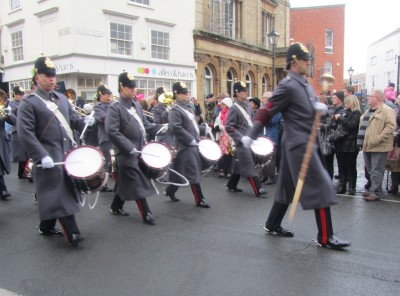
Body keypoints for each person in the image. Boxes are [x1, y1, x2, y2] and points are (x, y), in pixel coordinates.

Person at [244, 42, 350, 249]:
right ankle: (325, 237)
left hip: (305, 143)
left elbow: (305, 111)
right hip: (299, 146)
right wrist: (251, 135)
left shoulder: (304, 83)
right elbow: (267, 110)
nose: (308, 62)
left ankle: (272, 224)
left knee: (286, 188)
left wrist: (318, 108)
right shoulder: (288, 85)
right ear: (293, 62)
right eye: (304, 59)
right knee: (320, 188)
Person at [17, 56, 95, 246]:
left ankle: (46, 226)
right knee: (59, 193)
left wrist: (85, 121)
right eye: (47, 75)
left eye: (53, 75)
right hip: (48, 157)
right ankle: (73, 233)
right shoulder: (29, 102)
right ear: (37, 77)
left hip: (66, 154)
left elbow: (72, 120)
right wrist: (41, 155)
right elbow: (25, 133)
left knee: (58, 192)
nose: (52, 79)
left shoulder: (61, 98)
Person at [105, 71, 165, 224]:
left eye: (134, 87)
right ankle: (146, 213)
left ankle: (116, 206)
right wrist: (128, 147)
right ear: (121, 87)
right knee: (136, 181)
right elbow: (112, 131)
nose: (133, 89)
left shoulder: (136, 105)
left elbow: (145, 124)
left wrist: (161, 127)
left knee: (125, 181)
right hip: (125, 153)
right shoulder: (115, 108)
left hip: (139, 150)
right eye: (129, 87)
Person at [163, 81, 211, 208]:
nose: (186, 95)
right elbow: (176, 128)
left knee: (181, 172)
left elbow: (192, 126)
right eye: (183, 93)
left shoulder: (188, 108)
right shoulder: (175, 110)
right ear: (176, 94)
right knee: (193, 171)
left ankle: (170, 191)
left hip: (192, 143)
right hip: (184, 145)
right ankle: (199, 199)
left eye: (186, 92)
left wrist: (203, 131)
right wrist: (190, 139)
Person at [225, 81, 267, 197]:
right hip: (241, 142)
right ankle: (258, 189)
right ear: (237, 93)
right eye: (243, 91)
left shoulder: (248, 105)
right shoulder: (234, 108)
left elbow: (252, 122)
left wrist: (255, 135)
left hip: (249, 139)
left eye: (246, 90)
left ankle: (231, 185)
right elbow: (228, 126)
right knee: (248, 164)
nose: (246, 92)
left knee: (238, 164)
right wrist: (241, 138)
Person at [357, 90, 396, 201]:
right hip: (367, 144)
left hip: (379, 145)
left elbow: (390, 126)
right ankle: (372, 189)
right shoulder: (369, 110)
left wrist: (378, 138)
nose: (368, 98)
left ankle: (376, 193)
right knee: (370, 170)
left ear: (377, 98)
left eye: (370, 96)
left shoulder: (387, 110)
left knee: (377, 170)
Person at [333, 95, 362, 195]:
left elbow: (351, 125)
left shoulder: (356, 112)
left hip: (351, 142)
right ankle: (342, 186)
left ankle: (351, 187)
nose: (345, 104)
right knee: (341, 165)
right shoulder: (346, 112)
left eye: (347, 103)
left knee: (351, 165)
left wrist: (340, 118)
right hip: (342, 141)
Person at [93, 84, 113, 192]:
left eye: (109, 94)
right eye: (106, 94)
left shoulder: (113, 105)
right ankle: (102, 185)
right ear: (100, 95)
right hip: (105, 137)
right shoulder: (98, 106)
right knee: (105, 163)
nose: (109, 96)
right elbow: (103, 118)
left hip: (115, 137)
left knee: (115, 163)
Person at [10, 86, 29, 179]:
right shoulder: (11, 104)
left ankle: (22, 172)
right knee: (21, 154)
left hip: (24, 130)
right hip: (17, 130)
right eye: (18, 94)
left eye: (22, 94)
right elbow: (12, 116)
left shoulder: (24, 103)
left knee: (26, 153)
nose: (21, 96)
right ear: (14, 94)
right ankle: (24, 172)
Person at [0, 89, 15, 200]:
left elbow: (14, 122)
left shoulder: (4, 109)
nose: (2, 102)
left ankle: (2, 189)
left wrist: (8, 113)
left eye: (3, 100)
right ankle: (3, 189)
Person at [214, 97, 233, 178]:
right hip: (222, 136)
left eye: (223, 104)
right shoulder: (221, 113)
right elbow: (216, 122)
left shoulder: (231, 113)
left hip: (229, 137)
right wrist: (216, 126)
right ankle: (224, 170)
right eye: (221, 104)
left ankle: (229, 171)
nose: (222, 105)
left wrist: (221, 127)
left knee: (229, 153)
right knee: (223, 154)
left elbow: (231, 125)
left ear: (228, 105)